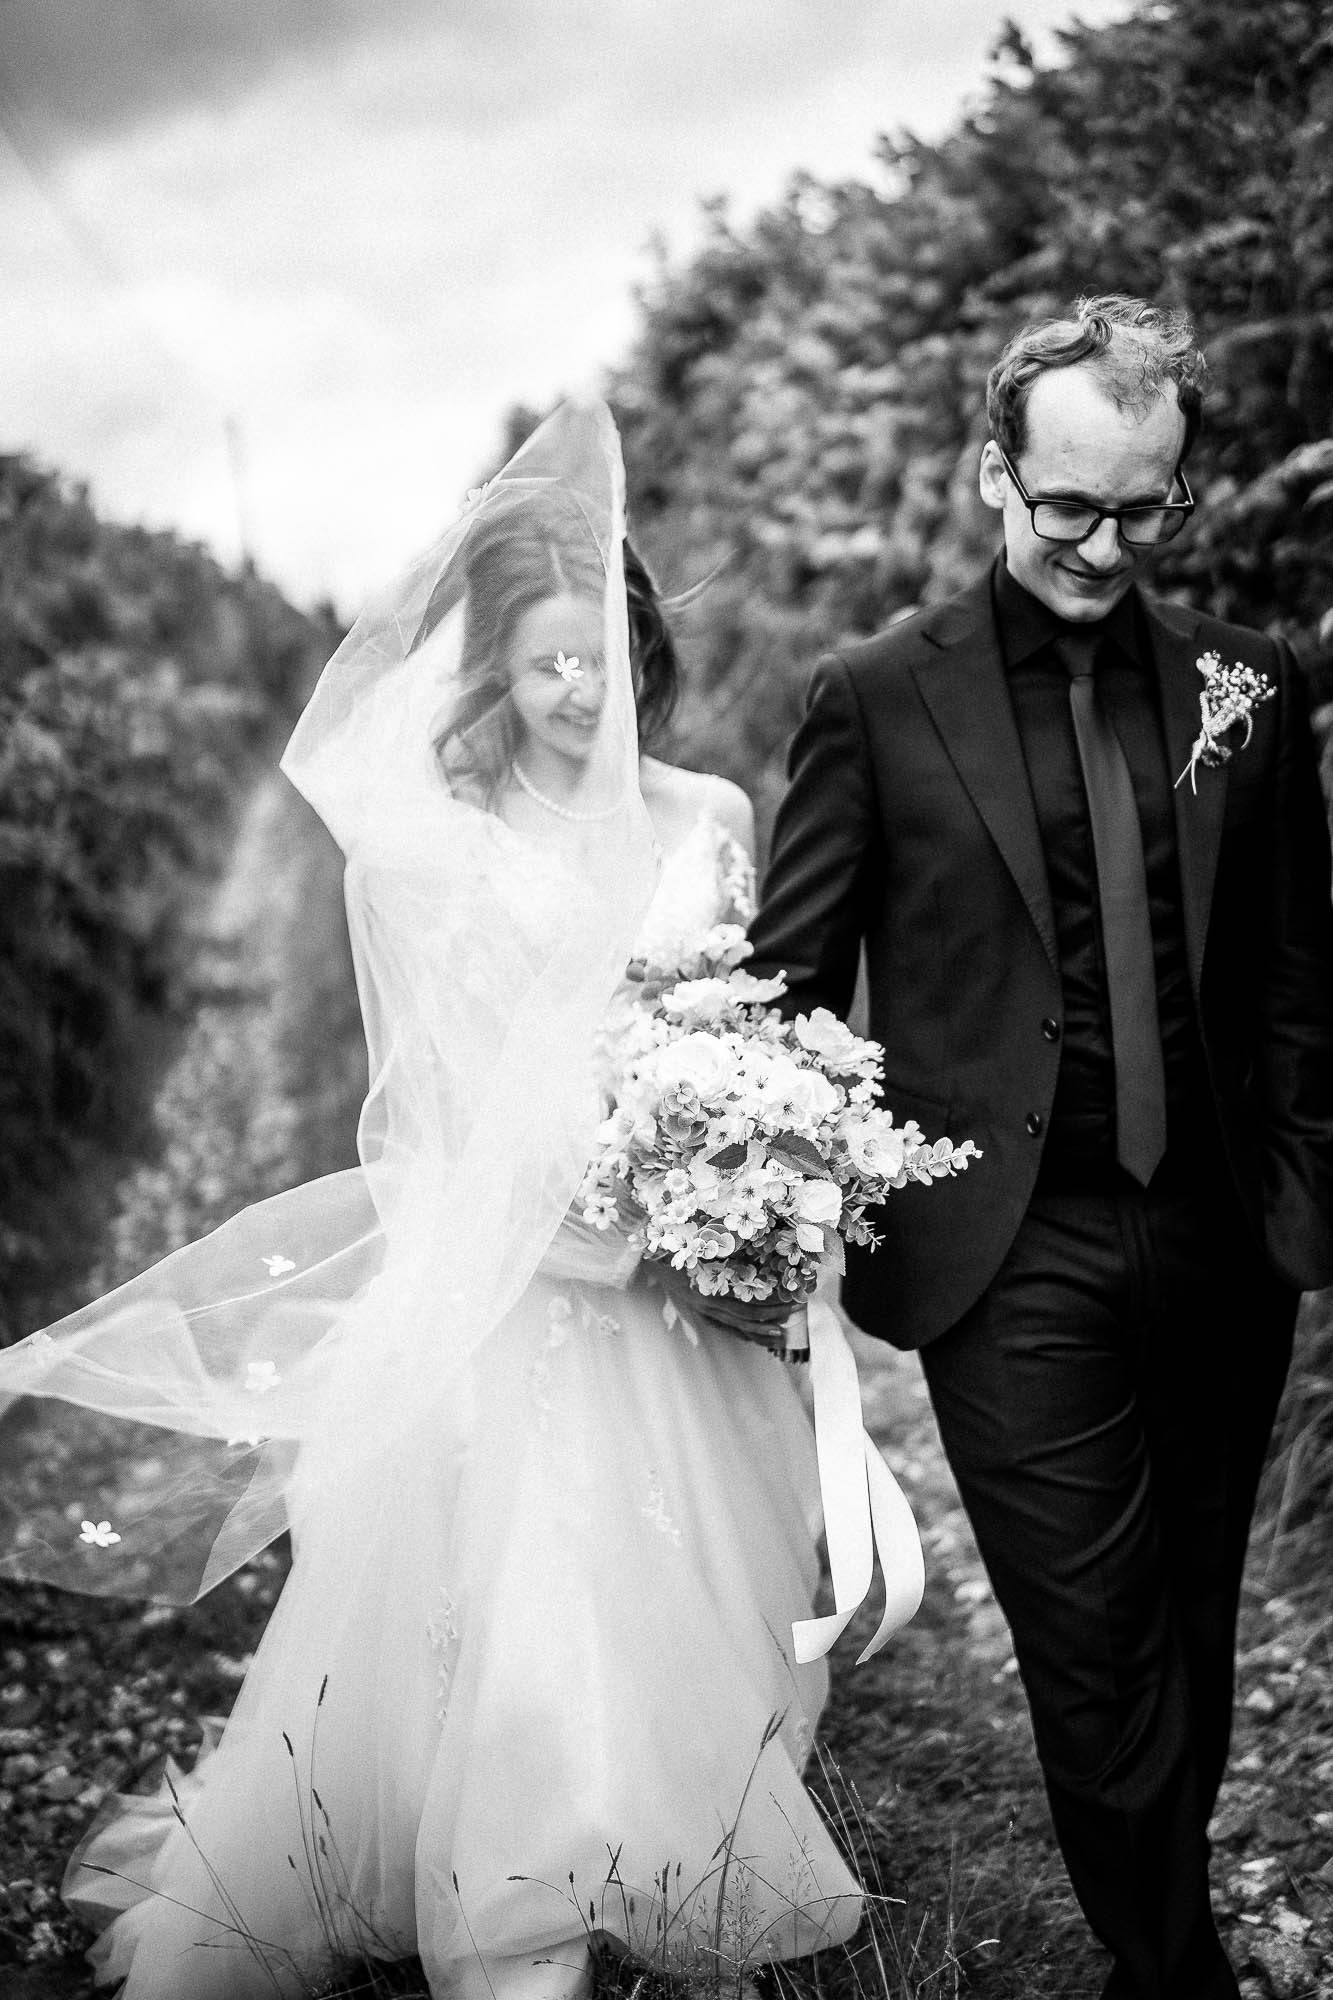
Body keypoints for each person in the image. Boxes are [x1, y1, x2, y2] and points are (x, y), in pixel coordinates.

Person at [0, 403, 880, 1999]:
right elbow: (427, 1117)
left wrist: (740, 1187)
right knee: (525, 1596)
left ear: (639, 654)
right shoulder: (424, 853)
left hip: (684, 1293)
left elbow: (735, 1044)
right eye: (542, 664)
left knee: (693, 1581)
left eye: (599, 661)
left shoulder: (710, 820)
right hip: (516, 1286)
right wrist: (576, 1225)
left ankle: (663, 1854)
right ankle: (512, 1907)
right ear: (485, 664)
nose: (574, 693)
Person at [746, 296, 1333, 2000]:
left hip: (1228, 1233)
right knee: (1086, 1641)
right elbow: (792, 985)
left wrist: (1302, 1194)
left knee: (1188, 1620)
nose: (1099, 545)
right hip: (1004, 1248)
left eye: (1141, 510)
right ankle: (1172, 1965)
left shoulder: (1248, 680)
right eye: (1066, 503)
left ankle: (1158, 1910)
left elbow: (1296, 964)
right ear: (994, 473)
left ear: (1179, 493)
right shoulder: (871, 695)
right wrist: (780, 1183)